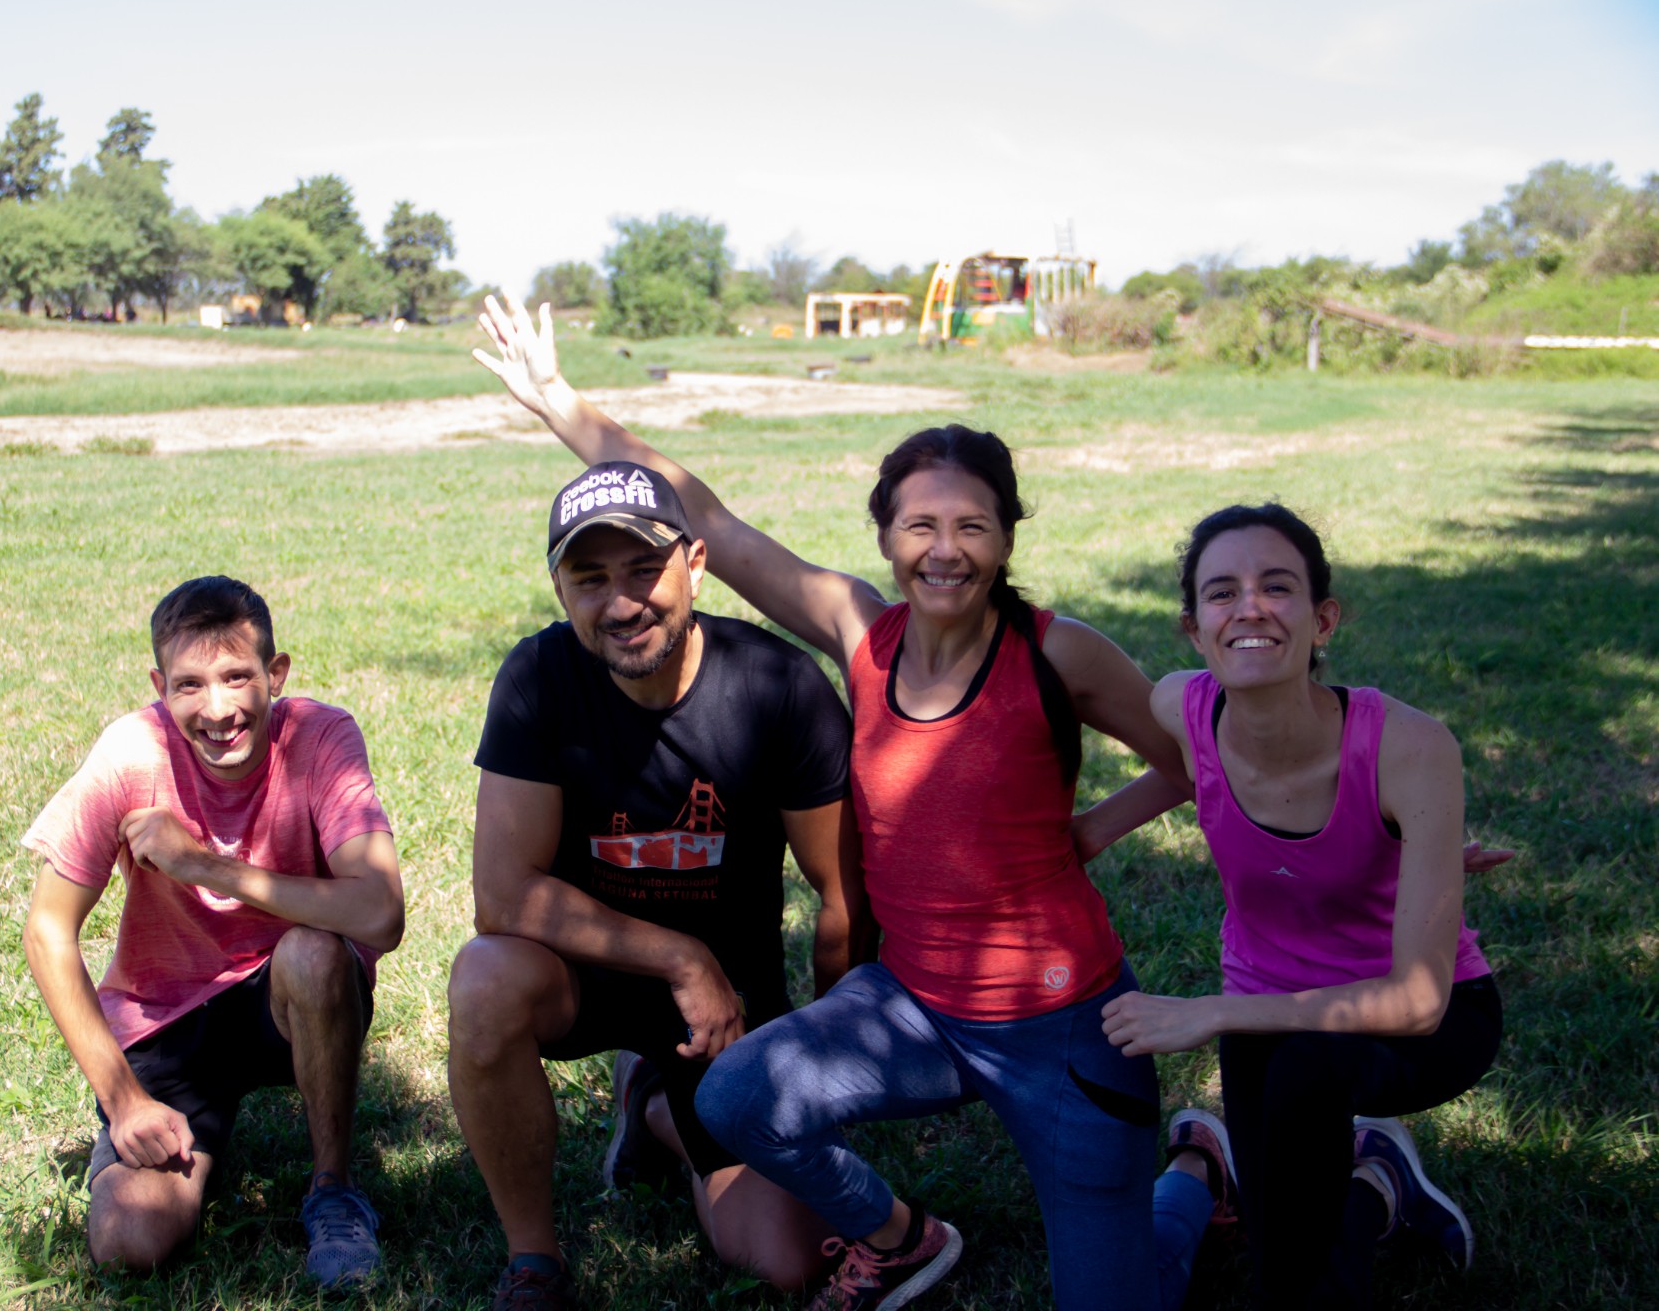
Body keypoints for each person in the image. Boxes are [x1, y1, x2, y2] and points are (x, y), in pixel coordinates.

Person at [475, 297, 1196, 1311]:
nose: (943, 551)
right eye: (919, 526)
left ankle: (1200, 1171)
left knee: (1119, 1297)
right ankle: (898, 1240)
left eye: (969, 526)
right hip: (914, 1009)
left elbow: (1197, 759)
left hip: (1062, 1023)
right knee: (737, 1098)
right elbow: (709, 518)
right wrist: (562, 406)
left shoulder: (1056, 651)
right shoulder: (863, 636)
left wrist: (1090, 831)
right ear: (887, 536)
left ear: (1005, 535)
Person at [446, 457, 869, 1309]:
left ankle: (654, 1109)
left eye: (645, 568)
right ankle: (535, 1262)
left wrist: (836, 1065)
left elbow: (840, 900)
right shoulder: (538, 678)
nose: (622, 602)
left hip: (731, 1010)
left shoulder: (779, 688)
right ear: (561, 590)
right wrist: (678, 956)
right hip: (581, 976)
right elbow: (503, 894)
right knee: (484, 977)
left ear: (697, 564)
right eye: (590, 578)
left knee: (790, 1258)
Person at [1100, 503, 1504, 1310]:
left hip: (1424, 1017)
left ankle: (1347, 1179)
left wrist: (1213, 1012)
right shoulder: (1182, 704)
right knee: (1279, 1241)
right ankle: (1380, 1186)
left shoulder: (1411, 747)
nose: (1248, 606)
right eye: (1222, 593)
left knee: (1308, 1079)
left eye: (1275, 587)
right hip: (1268, 1009)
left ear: (1322, 621)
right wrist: (1089, 830)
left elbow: (1419, 1004)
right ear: (1194, 629)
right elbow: (1192, 763)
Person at [20, 576, 404, 1287]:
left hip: (284, 997)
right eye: (190, 685)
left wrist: (205, 867)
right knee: (131, 1240)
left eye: (237, 677)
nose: (218, 709)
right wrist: (123, 1099)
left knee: (316, 952)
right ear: (159, 684)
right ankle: (186, 1128)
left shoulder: (321, 736)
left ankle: (334, 1189)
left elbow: (382, 912)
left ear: (276, 674)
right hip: (164, 1019)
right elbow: (47, 931)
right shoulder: (131, 752)